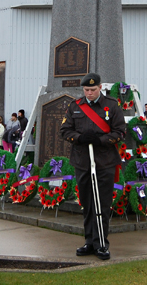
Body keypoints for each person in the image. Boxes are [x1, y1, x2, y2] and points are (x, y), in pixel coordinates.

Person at [60, 72, 126, 261]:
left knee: (102, 204)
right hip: (82, 161)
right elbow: (65, 130)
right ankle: (89, 241)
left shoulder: (111, 106)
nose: (89, 93)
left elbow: (120, 131)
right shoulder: (75, 106)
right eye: (86, 90)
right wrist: (80, 138)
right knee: (87, 203)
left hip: (104, 161)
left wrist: (101, 140)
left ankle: (101, 243)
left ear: (100, 87)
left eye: (93, 89)